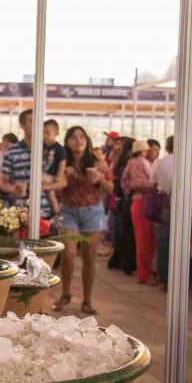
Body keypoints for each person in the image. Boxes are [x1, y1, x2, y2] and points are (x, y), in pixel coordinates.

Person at [53, 126, 112, 315]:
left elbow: (111, 189)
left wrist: (99, 178)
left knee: (89, 256)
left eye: (81, 136)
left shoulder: (97, 161)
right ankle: (66, 293)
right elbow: (54, 186)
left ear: (86, 140)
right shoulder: (62, 161)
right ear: (67, 141)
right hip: (68, 212)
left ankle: (87, 299)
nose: (77, 140)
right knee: (68, 254)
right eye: (73, 137)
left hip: (92, 212)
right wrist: (63, 176)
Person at [149, 136, 192, 288]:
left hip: (163, 205)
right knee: (181, 244)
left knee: (163, 243)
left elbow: (153, 184)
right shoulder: (188, 162)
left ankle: (163, 279)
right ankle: (179, 281)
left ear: (166, 147)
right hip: (182, 206)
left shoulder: (159, 162)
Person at [0, 109, 66, 218]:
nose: (37, 125)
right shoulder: (12, 152)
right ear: (22, 125)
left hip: (46, 210)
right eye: (32, 121)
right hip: (20, 211)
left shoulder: (50, 149)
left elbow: (63, 181)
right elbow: (3, 183)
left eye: (39, 121)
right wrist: (15, 188)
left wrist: (42, 187)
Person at [121, 140, 156, 284]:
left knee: (139, 239)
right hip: (146, 201)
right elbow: (152, 178)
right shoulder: (144, 162)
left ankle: (143, 273)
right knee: (146, 241)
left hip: (135, 201)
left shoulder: (130, 163)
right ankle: (145, 274)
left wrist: (129, 191)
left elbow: (124, 180)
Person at [107, 137, 137, 274]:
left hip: (121, 200)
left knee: (123, 232)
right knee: (127, 234)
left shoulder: (120, 161)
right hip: (126, 200)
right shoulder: (127, 162)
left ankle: (118, 261)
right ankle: (125, 263)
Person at [42, 119, 66, 215]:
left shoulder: (59, 148)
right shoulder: (42, 146)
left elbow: (62, 161)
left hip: (51, 175)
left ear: (56, 133)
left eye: (48, 133)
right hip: (44, 173)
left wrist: (60, 174)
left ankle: (56, 212)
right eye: (43, 133)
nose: (45, 136)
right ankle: (55, 211)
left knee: (50, 193)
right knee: (50, 193)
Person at [0, 133, 18, 199]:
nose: (4, 144)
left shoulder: (17, 156)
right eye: (4, 141)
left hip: (14, 187)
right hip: (1, 188)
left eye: (7, 142)